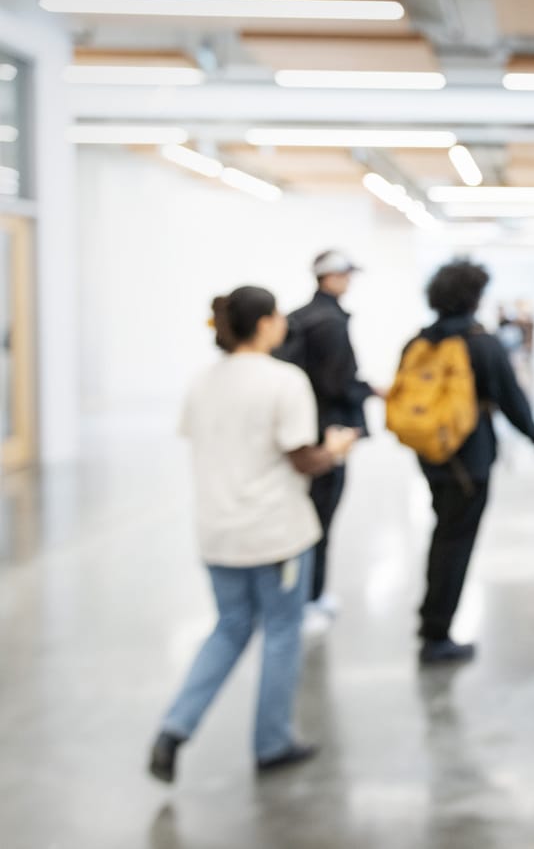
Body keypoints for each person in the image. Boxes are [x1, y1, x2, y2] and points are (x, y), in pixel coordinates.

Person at [148, 286, 358, 783]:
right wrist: (336, 450)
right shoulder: (284, 382)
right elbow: (301, 458)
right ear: (264, 323)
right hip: (275, 534)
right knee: (282, 633)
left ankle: (174, 728)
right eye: (278, 315)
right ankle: (272, 741)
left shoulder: (203, 382)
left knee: (229, 628)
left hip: (217, 533)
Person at [399, 260, 534, 665]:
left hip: (432, 458)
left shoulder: (419, 342)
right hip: (471, 462)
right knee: (455, 544)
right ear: (473, 297)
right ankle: (436, 633)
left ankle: (431, 620)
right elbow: (510, 396)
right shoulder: (482, 343)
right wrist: (533, 432)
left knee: (443, 535)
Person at [281, 250, 382, 620]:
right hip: (331, 431)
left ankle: (306, 593)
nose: (349, 281)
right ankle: (310, 596)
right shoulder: (329, 322)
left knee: (310, 515)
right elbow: (337, 382)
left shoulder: (301, 317)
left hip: (307, 428)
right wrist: (368, 390)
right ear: (329, 278)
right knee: (320, 517)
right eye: (345, 275)